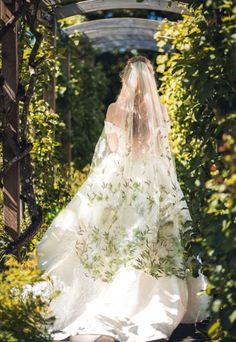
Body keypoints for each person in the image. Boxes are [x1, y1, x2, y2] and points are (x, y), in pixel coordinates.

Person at [36, 56, 211, 342]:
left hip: (119, 177)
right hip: (153, 180)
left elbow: (113, 148)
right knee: (157, 239)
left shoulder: (115, 110)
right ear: (151, 81)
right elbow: (162, 153)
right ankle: (153, 300)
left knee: (110, 237)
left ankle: (105, 297)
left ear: (125, 79)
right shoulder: (161, 111)